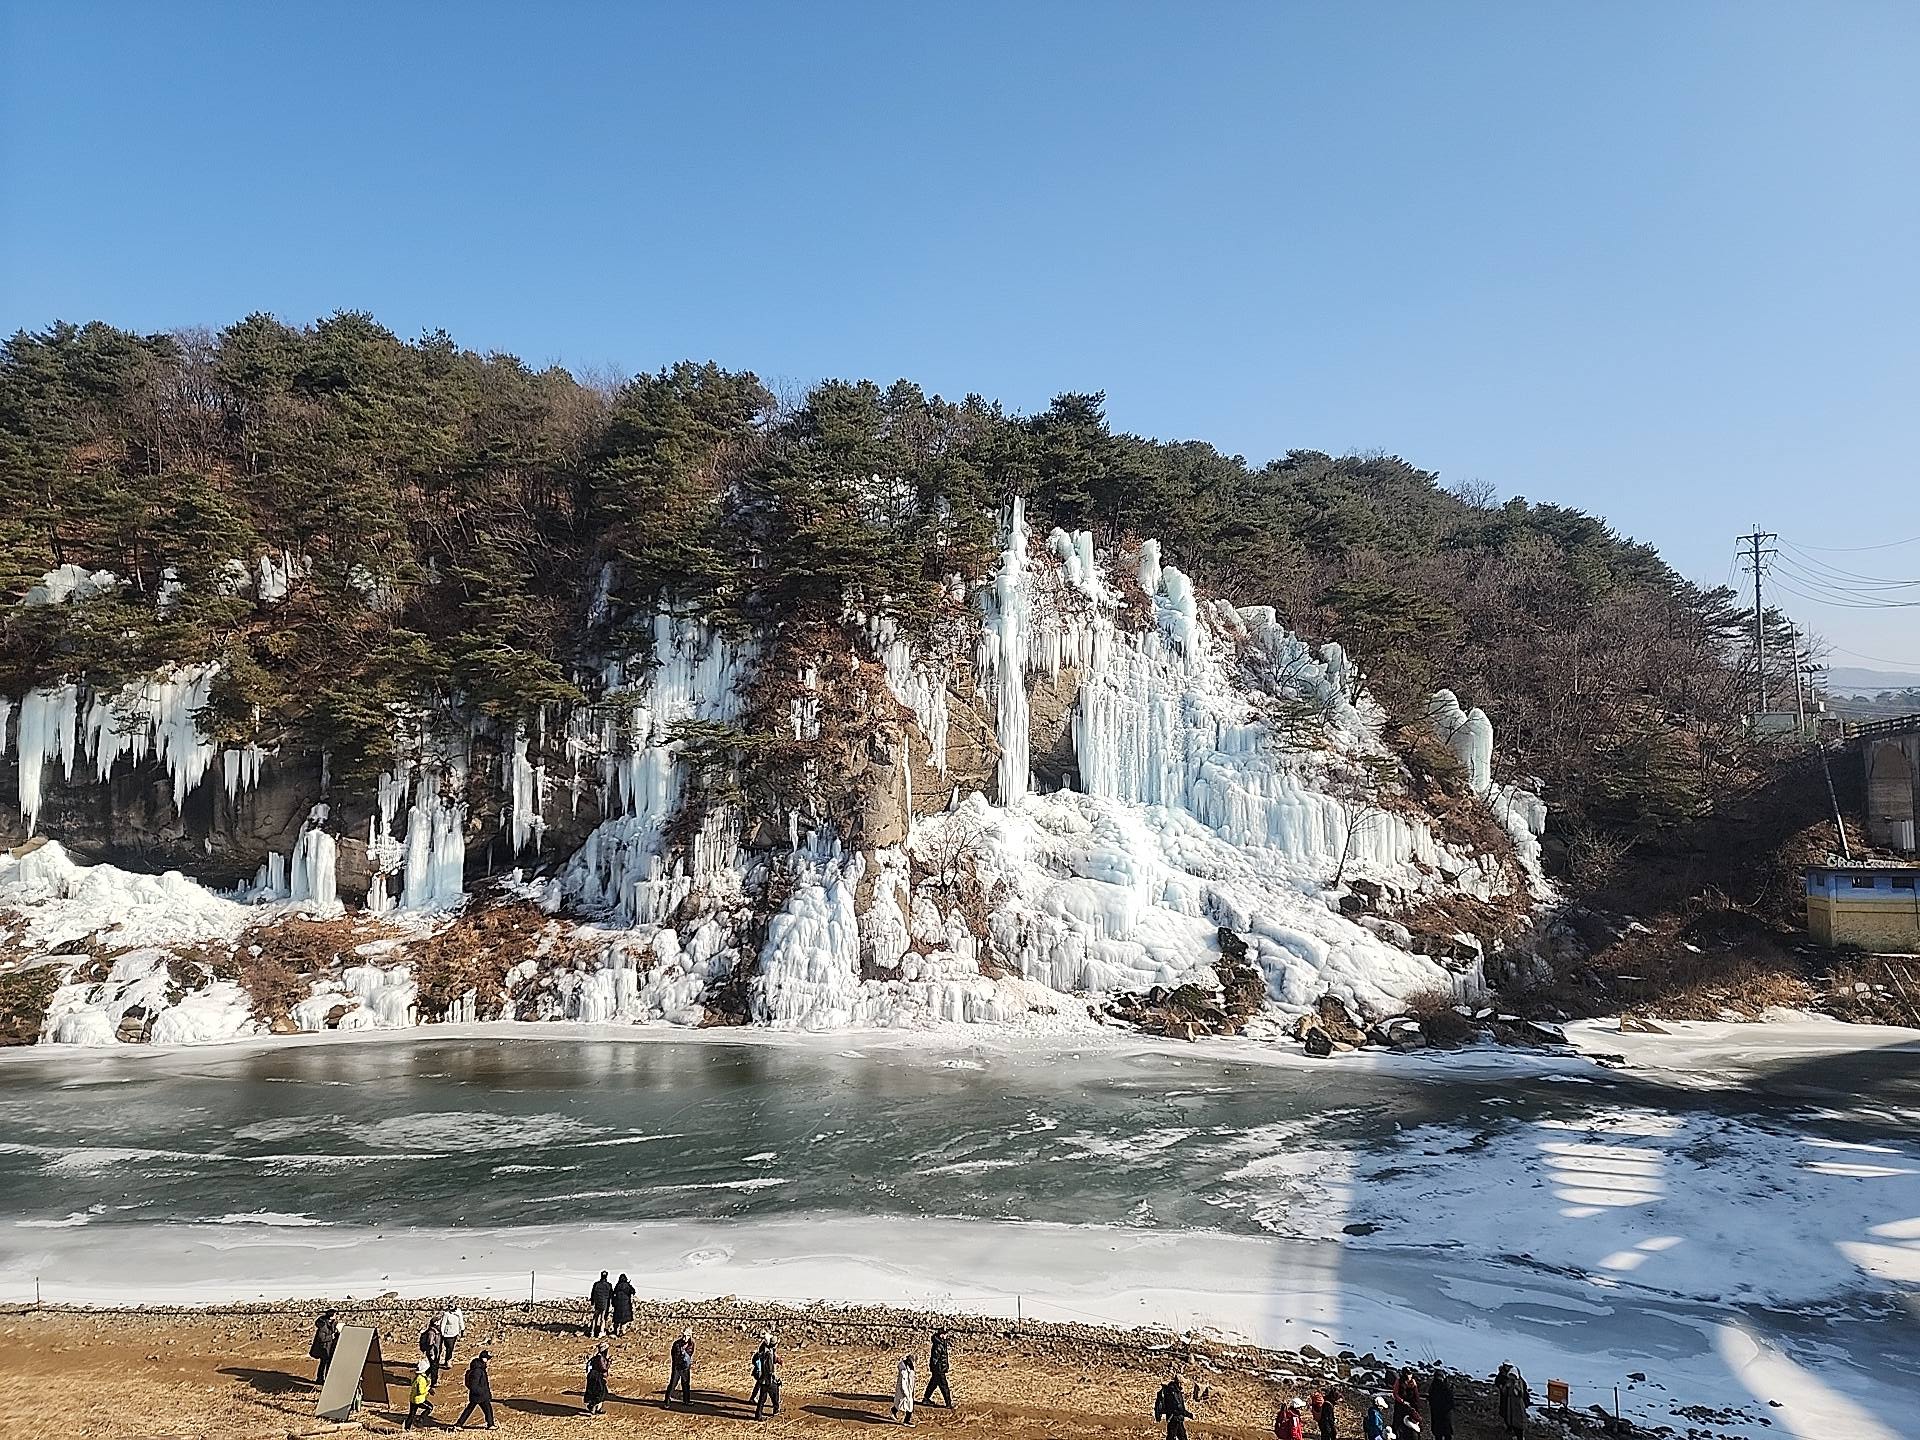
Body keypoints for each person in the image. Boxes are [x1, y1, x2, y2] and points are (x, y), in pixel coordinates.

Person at [456, 1349, 496, 1430]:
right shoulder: (477, 1370)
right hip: (479, 1395)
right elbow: (474, 1385)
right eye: (487, 1359)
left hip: (480, 1395)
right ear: (483, 1359)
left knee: (485, 1409)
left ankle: (490, 1424)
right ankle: (458, 1425)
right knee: (473, 1410)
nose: (488, 1361)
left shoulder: (480, 1368)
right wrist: (482, 1393)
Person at [750, 1334, 781, 1420]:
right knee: (775, 1394)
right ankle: (776, 1410)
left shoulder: (764, 1350)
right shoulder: (768, 1354)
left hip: (763, 1379)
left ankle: (758, 1415)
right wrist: (774, 1378)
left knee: (762, 1398)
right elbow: (769, 1369)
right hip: (768, 1379)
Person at [1495, 1364, 1530, 1439]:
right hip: (1509, 1404)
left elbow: (1521, 1393)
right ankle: (1514, 1432)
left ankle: (1520, 1437)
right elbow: (1503, 1391)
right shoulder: (1508, 1382)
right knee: (1511, 1419)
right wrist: (1504, 1386)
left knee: (1519, 1422)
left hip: (1517, 1406)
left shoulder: (1518, 1383)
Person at [922, 1328, 953, 1408]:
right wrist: (937, 1369)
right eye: (946, 1334)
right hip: (938, 1369)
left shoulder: (941, 1343)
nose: (947, 1336)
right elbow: (935, 1359)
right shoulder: (938, 1344)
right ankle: (948, 1404)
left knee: (933, 1384)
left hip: (938, 1368)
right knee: (944, 1386)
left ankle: (926, 1399)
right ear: (941, 1335)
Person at [1154, 1374, 1192, 1440]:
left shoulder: (1175, 1390)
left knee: (1181, 1437)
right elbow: (1178, 1407)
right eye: (1183, 1383)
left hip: (1177, 1418)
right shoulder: (1173, 1392)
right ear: (1179, 1383)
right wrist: (1189, 1415)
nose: (1184, 1385)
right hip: (1174, 1418)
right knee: (1173, 1437)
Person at [309, 1309, 341, 1385]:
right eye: (335, 1315)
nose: (336, 1316)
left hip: (329, 1346)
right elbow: (322, 1338)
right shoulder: (323, 1325)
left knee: (327, 1363)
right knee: (323, 1363)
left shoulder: (332, 1323)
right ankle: (320, 1379)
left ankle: (326, 1379)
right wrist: (332, 1336)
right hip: (323, 1347)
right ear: (331, 1316)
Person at [667, 1327, 695, 1405]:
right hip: (677, 1366)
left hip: (685, 1367)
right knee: (673, 1383)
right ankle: (667, 1400)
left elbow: (690, 1354)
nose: (685, 1338)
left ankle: (686, 1400)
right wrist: (678, 1362)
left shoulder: (691, 1344)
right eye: (684, 1335)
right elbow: (674, 1355)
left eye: (687, 1336)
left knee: (686, 1384)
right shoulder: (677, 1344)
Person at [585, 1341, 612, 1416]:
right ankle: (592, 1406)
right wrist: (608, 1363)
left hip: (595, 1377)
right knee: (599, 1393)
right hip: (597, 1377)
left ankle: (597, 1409)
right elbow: (603, 1368)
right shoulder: (600, 1358)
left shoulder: (598, 1357)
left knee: (600, 1393)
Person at [405, 1359, 434, 1431]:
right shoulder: (421, 1379)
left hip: (413, 1399)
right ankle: (420, 1419)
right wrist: (428, 1389)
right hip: (419, 1399)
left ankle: (407, 1427)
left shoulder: (417, 1377)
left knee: (411, 1414)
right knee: (430, 1408)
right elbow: (421, 1391)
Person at [1427, 1371, 1455, 1440]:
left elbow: (1430, 1400)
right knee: (1447, 1435)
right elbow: (1451, 1402)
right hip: (1445, 1415)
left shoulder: (1432, 1388)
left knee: (1438, 1435)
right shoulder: (1446, 1388)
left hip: (1436, 1415)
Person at [420, 1316, 445, 1389]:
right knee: (434, 1367)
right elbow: (430, 1344)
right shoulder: (431, 1332)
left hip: (436, 1352)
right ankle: (434, 1382)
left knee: (433, 1366)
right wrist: (432, 1354)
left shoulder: (436, 1330)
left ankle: (425, 1376)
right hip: (433, 1353)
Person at [892, 1353, 915, 1425]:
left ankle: (893, 1411)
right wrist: (905, 1392)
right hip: (904, 1389)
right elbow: (903, 1382)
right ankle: (906, 1420)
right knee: (908, 1405)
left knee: (900, 1403)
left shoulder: (909, 1367)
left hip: (908, 1389)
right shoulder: (904, 1371)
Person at [590, 1271, 614, 1337]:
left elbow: (592, 1294)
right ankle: (601, 1332)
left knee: (595, 1317)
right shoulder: (609, 1285)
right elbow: (611, 1295)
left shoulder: (596, 1284)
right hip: (604, 1304)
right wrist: (612, 1303)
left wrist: (592, 1302)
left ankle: (592, 1331)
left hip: (597, 1303)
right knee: (603, 1318)